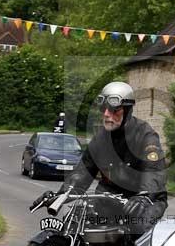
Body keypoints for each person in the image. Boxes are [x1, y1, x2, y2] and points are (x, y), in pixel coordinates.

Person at [33, 82, 167, 234]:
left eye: (114, 110)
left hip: (145, 199)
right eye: (104, 109)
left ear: (128, 111)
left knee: (137, 227)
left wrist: (144, 196)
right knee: (75, 221)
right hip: (110, 197)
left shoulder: (145, 136)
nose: (106, 114)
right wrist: (58, 196)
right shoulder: (100, 139)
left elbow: (154, 171)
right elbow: (82, 174)